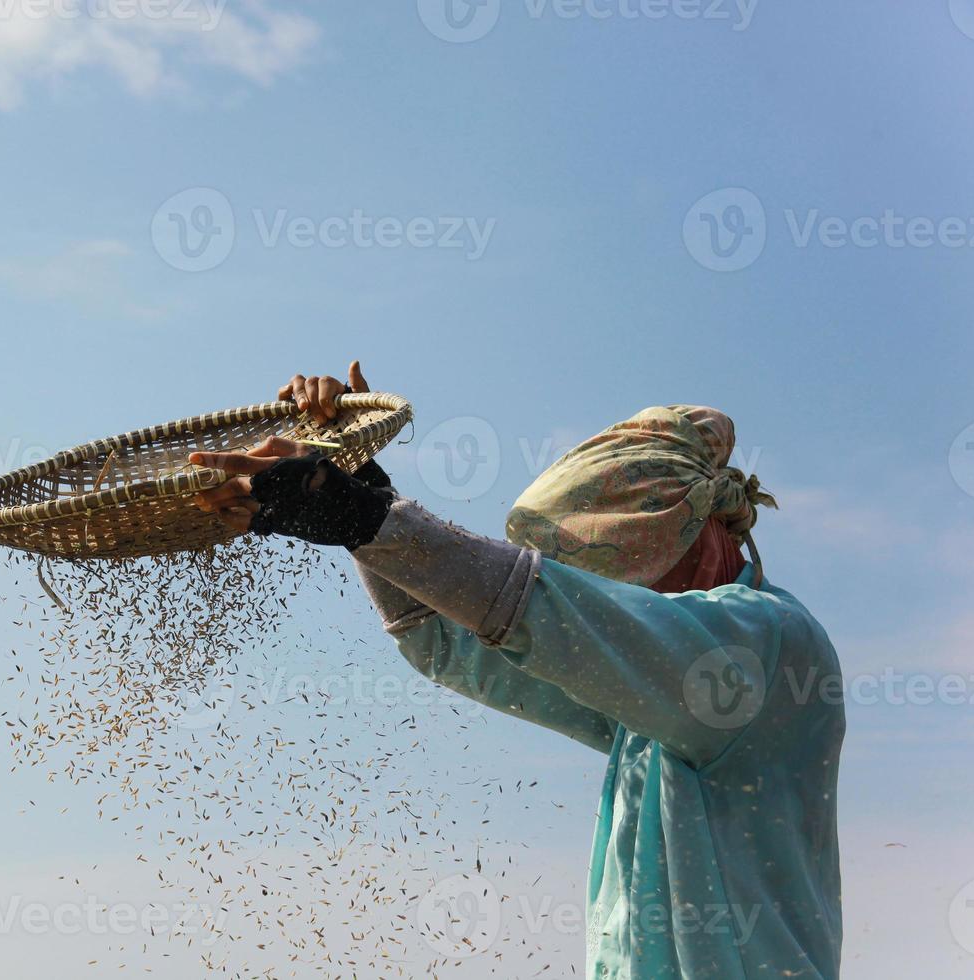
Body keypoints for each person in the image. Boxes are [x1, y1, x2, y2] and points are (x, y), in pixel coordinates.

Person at [190, 362, 844, 980]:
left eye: (623, 584)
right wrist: (362, 492)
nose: (611, 600)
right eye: (601, 590)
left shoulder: (768, 650)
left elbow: (549, 614)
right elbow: (451, 641)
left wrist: (362, 516)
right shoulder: (652, 694)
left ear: (701, 544)